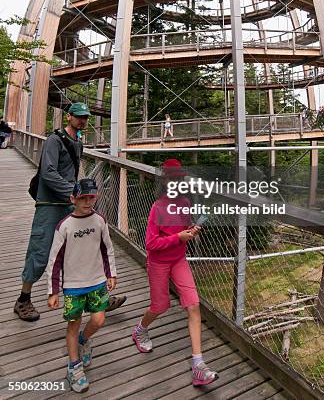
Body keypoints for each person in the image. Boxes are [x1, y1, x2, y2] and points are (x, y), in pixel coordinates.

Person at [14, 102, 126, 321]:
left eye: (85, 117)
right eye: (78, 117)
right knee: (40, 250)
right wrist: (73, 192)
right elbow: (48, 172)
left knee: (85, 247)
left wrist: (79, 194)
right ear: (69, 117)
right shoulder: (54, 140)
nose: (82, 120)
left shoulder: (78, 142)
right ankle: (23, 299)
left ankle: (98, 295)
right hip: (49, 205)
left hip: (69, 203)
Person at [131, 159, 219, 387]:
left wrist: (191, 231)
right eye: (172, 179)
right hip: (159, 262)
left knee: (193, 304)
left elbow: (183, 230)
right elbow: (151, 244)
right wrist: (177, 238)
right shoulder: (157, 207)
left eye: (179, 179)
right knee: (160, 306)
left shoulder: (185, 203)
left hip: (179, 259)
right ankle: (140, 330)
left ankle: (198, 365)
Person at [46, 178, 117, 393]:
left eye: (91, 197)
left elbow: (107, 248)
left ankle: (83, 340)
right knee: (73, 325)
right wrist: (53, 290)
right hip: (73, 285)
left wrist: (111, 273)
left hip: (96, 280)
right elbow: (54, 260)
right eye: (82, 198)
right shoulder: (65, 226)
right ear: (73, 198)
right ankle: (74, 367)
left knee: (99, 319)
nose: (87, 202)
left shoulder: (99, 220)